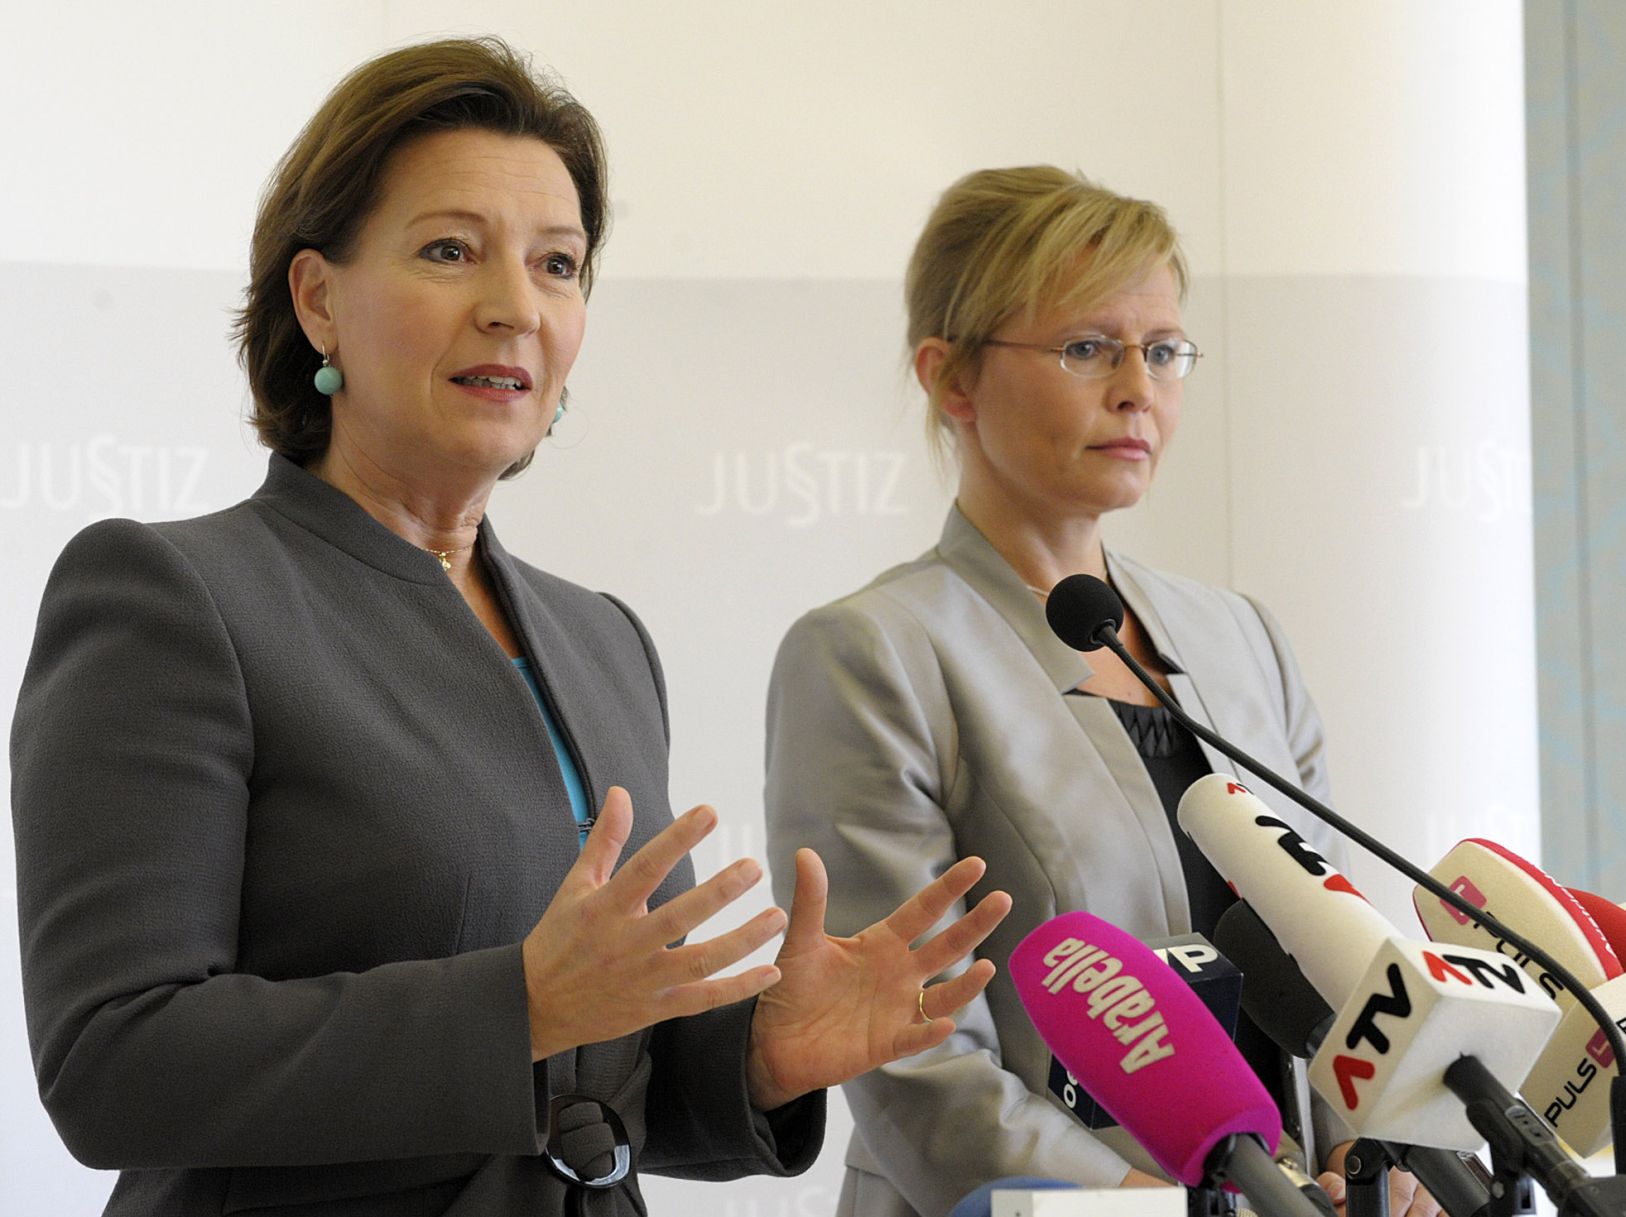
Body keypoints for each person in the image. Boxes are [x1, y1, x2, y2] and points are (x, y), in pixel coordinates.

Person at [9, 38, 1010, 1217]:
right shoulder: (173, 595)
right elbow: (113, 1060)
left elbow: (598, 1073)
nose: (515, 308)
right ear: (318, 299)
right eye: (449, 250)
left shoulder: (601, 637)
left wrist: (754, 1057)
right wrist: (517, 1005)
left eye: (557, 264)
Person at [764, 167, 1439, 1217]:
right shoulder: (870, 652)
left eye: (1162, 350)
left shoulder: (1242, 639)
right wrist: (1173, 1208)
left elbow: (1338, 968)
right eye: (1087, 348)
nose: (1137, 388)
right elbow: (913, 1061)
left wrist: (1380, 1159)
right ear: (951, 378)